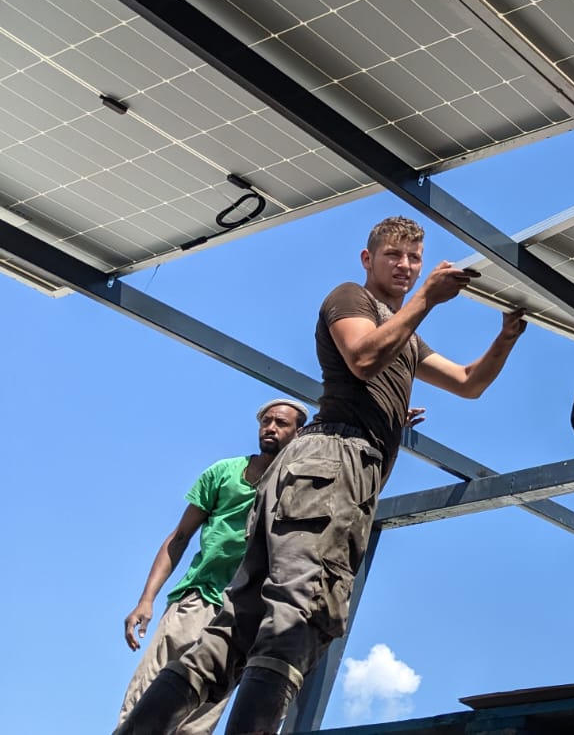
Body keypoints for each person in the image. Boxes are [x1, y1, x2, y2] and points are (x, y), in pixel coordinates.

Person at [118, 216, 527, 735]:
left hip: (319, 470)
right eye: (393, 256)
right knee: (300, 614)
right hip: (331, 466)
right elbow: (361, 357)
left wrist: (507, 337)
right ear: (368, 260)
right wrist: (427, 298)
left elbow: (469, 383)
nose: (405, 266)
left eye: (414, 259)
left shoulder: (405, 337)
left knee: (241, 625)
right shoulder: (351, 298)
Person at [116, 399, 307, 734]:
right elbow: (179, 538)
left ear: (298, 432)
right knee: (144, 702)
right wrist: (146, 600)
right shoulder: (224, 473)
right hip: (199, 599)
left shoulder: (293, 488)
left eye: (281, 424)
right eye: (267, 422)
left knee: (197, 723)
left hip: (242, 615)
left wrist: (387, 420)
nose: (271, 429)